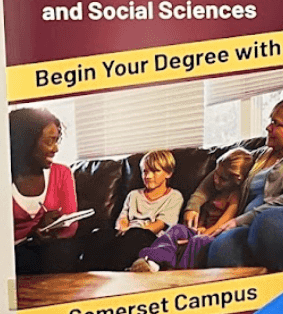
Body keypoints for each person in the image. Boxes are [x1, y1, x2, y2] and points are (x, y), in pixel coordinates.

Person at [206, 96, 283, 271]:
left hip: (279, 220)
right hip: (247, 224)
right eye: (270, 121)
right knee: (221, 247)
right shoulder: (261, 155)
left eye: (277, 124)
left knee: (267, 224)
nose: (268, 127)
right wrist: (193, 205)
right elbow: (217, 173)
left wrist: (243, 219)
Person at [130, 148, 254, 271]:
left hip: (216, 234)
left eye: (222, 179)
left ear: (237, 180)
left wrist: (202, 234)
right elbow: (204, 212)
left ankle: (179, 272)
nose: (215, 180)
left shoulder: (234, 197)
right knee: (176, 229)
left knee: (197, 241)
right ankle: (152, 261)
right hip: (201, 230)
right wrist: (198, 227)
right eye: (215, 174)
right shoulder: (214, 191)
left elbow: (222, 224)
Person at [10, 107, 80, 274]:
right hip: (13, 257)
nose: (56, 149)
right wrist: (33, 234)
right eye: (49, 141)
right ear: (25, 142)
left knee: (98, 238)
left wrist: (49, 232)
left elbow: (71, 227)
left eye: (56, 141)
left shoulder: (62, 173)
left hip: (53, 249)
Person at [91, 150, 184, 270]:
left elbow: (159, 225)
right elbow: (123, 218)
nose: (148, 176)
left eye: (155, 171)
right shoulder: (133, 195)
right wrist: (123, 227)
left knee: (136, 235)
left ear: (168, 173)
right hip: (126, 235)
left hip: (151, 238)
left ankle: (117, 270)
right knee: (98, 235)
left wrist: (131, 231)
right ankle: (89, 276)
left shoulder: (174, 196)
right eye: (145, 172)